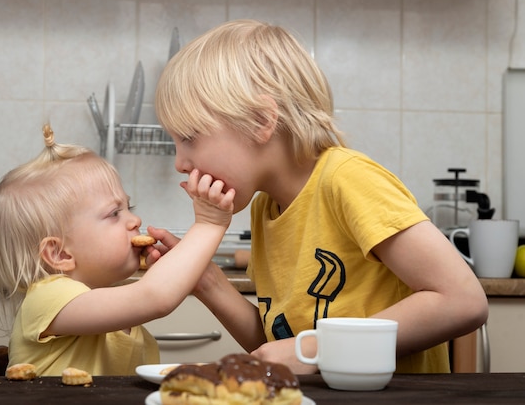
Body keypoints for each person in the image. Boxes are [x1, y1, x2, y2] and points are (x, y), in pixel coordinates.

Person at [149, 19, 489, 373]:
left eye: (189, 137)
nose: (179, 163)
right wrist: (207, 282)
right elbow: (282, 348)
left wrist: (316, 347)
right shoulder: (267, 207)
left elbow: (463, 301)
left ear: (261, 121)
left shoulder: (347, 180)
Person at [0, 125, 234, 376]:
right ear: (60, 254)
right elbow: (155, 298)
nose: (134, 220)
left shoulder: (107, 308)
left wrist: (175, 269)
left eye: (129, 206)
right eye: (114, 213)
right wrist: (209, 224)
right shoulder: (47, 298)